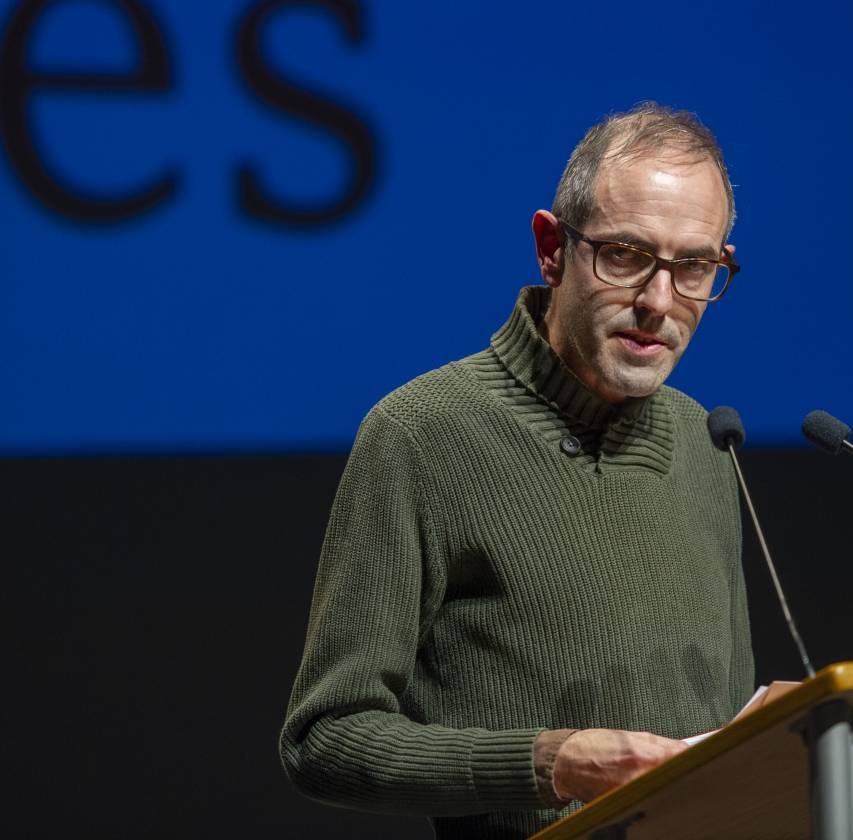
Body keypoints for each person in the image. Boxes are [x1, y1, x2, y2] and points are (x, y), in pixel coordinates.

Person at [279, 102, 754, 839]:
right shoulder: (421, 435)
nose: (660, 303)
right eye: (625, 255)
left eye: (693, 266)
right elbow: (324, 739)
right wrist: (547, 762)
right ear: (551, 249)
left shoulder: (704, 442)